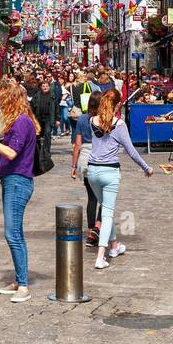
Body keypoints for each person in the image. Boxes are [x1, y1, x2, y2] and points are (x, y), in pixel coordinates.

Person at [0, 83, 38, 302]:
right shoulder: (20, 121)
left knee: (12, 234)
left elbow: (11, 152)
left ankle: (23, 286)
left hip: (18, 180)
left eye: (2, 100)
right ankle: (19, 279)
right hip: (12, 179)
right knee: (15, 233)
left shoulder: (21, 122)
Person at [85, 90, 154, 269]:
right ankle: (101, 256)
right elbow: (131, 151)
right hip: (110, 173)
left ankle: (114, 247)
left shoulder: (92, 121)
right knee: (107, 214)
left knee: (107, 210)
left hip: (92, 172)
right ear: (117, 105)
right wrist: (146, 168)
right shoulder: (120, 124)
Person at [71, 91, 102, 245]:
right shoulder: (103, 119)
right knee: (105, 198)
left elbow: (77, 144)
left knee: (92, 198)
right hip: (100, 158)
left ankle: (90, 233)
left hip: (85, 159)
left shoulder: (82, 119)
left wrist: (74, 165)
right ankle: (98, 226)